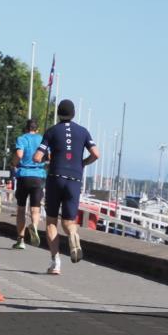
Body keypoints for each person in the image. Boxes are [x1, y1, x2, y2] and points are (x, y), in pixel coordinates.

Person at [33, 100, 100, 275]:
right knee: (69, 222)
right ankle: (72, 234)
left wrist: (49, 159)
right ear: (74, 113)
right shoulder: (83, 131)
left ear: (58, 114)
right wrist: (82, 163)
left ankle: (55, 262)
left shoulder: (51, 131)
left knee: (52, 221)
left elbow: (37, 157)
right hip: (74, 179)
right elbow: (96, 154)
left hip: (55, 177)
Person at [11, 119, 45, 250]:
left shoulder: (22, 138)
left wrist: (13, 164)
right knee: (35, 209)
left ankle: (20, 240)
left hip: (24, 175)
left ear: (26, 128)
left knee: (21, 209)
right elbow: (50, 156)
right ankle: (34, 227)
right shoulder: (42, 139)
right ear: (37, 129)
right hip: (39, 176)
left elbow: (19, 154)